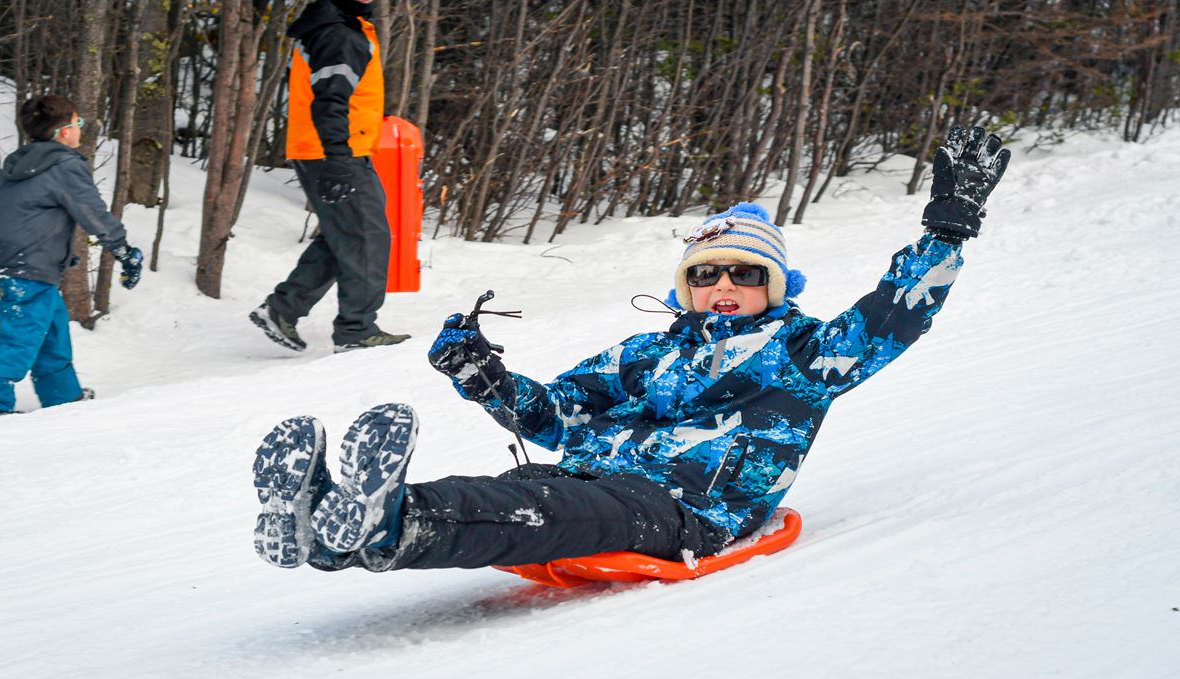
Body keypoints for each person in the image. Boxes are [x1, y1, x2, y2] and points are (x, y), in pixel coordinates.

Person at [250, 126, 1010, 574]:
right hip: (595, 478)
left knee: (535, 505)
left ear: (773, 287)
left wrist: (945, 232)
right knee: (517, 489)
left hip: (686, 510)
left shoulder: (805, 354)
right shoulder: (649, 352)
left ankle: (390, 523)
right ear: (686, 287)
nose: (723, 286)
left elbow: (892, 319)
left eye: (745, 274)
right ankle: (331, 529)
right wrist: (487, 380)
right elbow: (554, 416)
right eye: (705, 274)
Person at [0, 95, 143, 421]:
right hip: (32, 262)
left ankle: (62, 396)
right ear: (63, 132)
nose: (80, 131)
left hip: (23, 260)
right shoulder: (63, 165)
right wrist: (124, 251)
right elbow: (93, 213)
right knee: (22, 333)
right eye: (78, 124)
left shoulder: (21, 162)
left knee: (52, 329)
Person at [249, 0, 409, 354]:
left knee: (347, 234)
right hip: (335, 151)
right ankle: (356, 330)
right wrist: (339, 156)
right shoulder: (339, 33)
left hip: (331, 149)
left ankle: (283, 309)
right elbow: (330, 101)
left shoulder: (337, 25)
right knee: (367, 237)